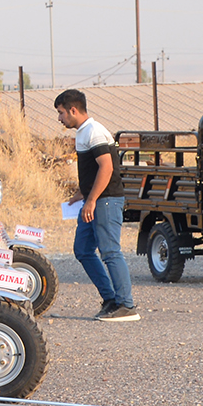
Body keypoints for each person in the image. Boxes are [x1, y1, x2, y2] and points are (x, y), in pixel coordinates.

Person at [55, 89, 137, 322]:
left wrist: (91, 200)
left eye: (61, 113)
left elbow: (107, 167)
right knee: (82, 249)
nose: (59, 118)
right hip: (93, 199)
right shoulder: (83, 133)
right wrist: (81, 194)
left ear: (73, 110)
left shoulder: (94, 131)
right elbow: (93, 170)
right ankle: (111, 299)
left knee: (110, 251)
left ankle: (126, 305)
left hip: (106, 200)